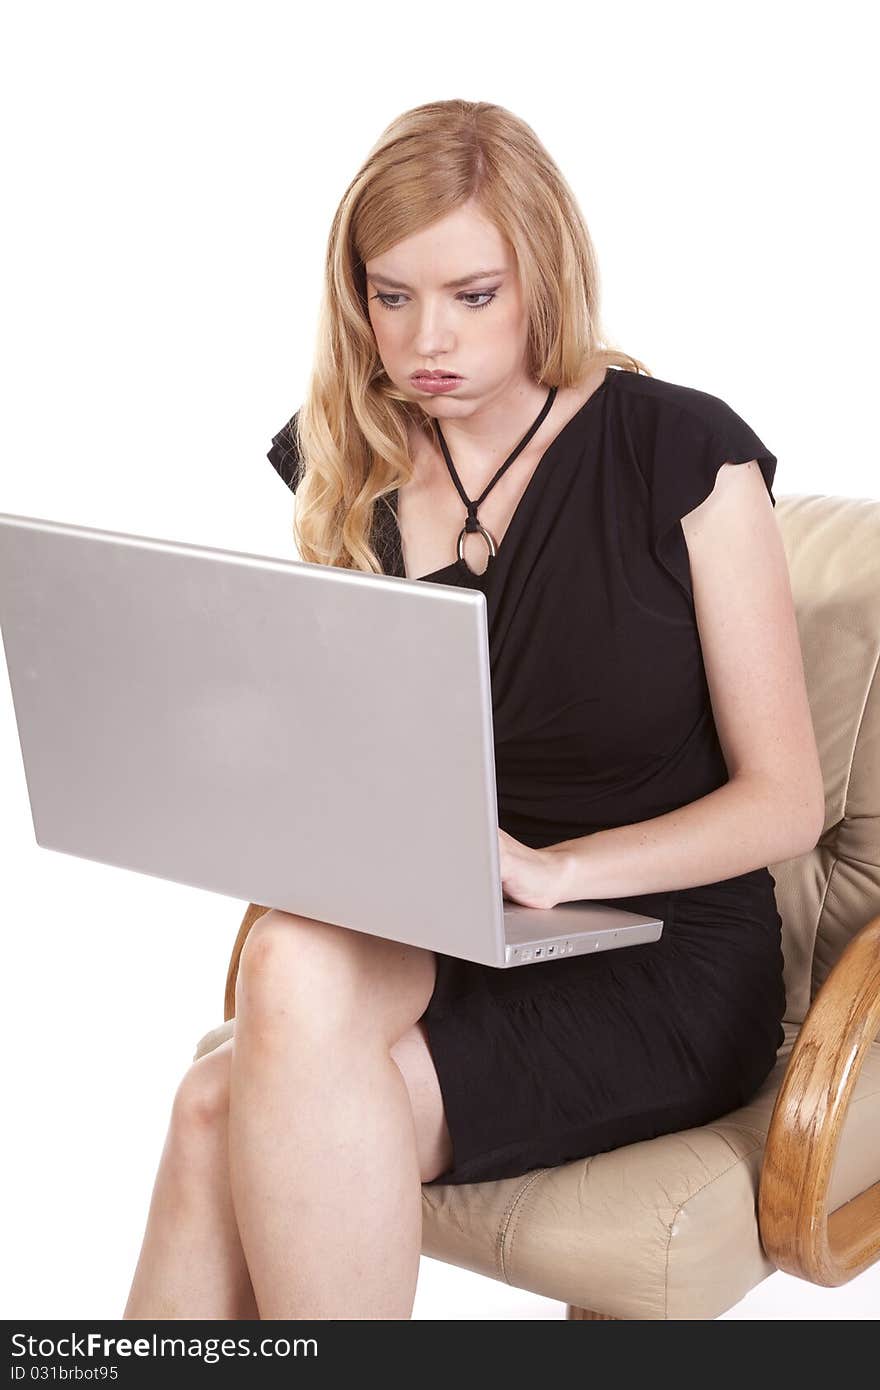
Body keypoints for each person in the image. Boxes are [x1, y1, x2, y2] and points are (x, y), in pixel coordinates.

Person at [123, 99, 824, 1321]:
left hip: (662, 956)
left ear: (543, 277)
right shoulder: (351, 452)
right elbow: (360, 734)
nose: (424, 339)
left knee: (216, 1111)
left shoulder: (681, 452)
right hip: (456, 921)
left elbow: (787, 802)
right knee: (272, 976)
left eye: (472, 295)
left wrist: (561, 869)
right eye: (390, 297)